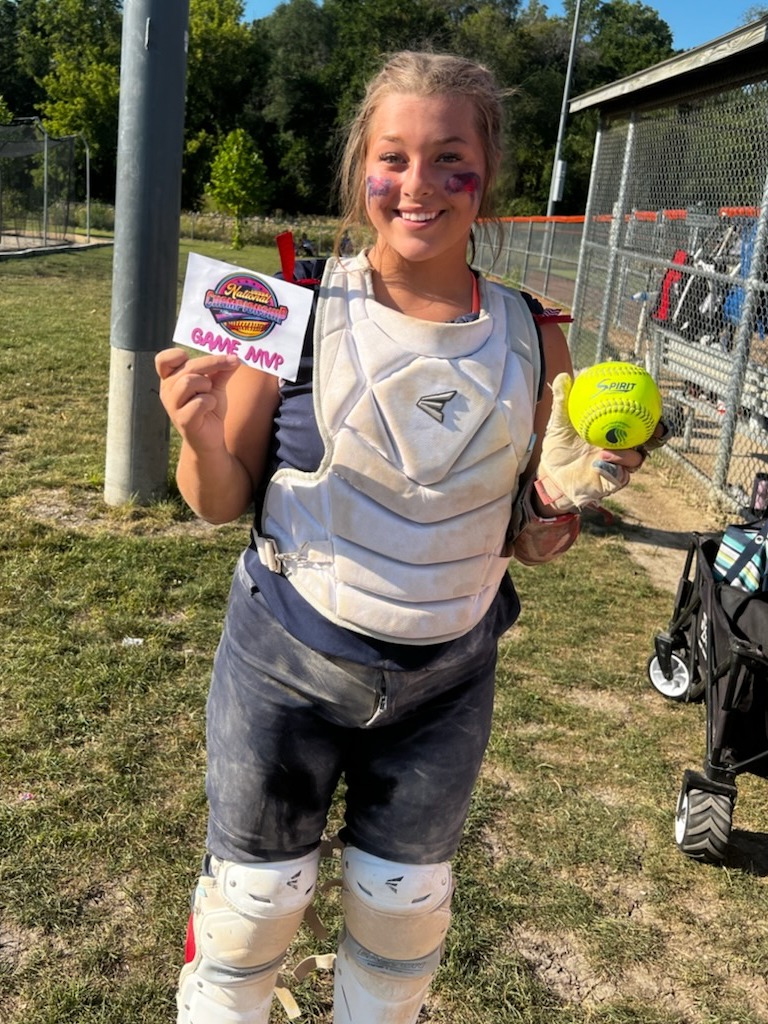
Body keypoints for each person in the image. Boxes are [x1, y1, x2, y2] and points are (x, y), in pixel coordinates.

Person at [156, 50, 654, 1024]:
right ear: (361, 169)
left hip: (447, 679)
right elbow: (218, 502)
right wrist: (201, 436)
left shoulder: (534, 333)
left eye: (449, 159)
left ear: (488, 174)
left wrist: (565, 500)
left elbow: (528, 542)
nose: (418, 184)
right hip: (286, 663)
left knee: (402, 917)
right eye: (393, 158)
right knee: (250, 910)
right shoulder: (290, 311)